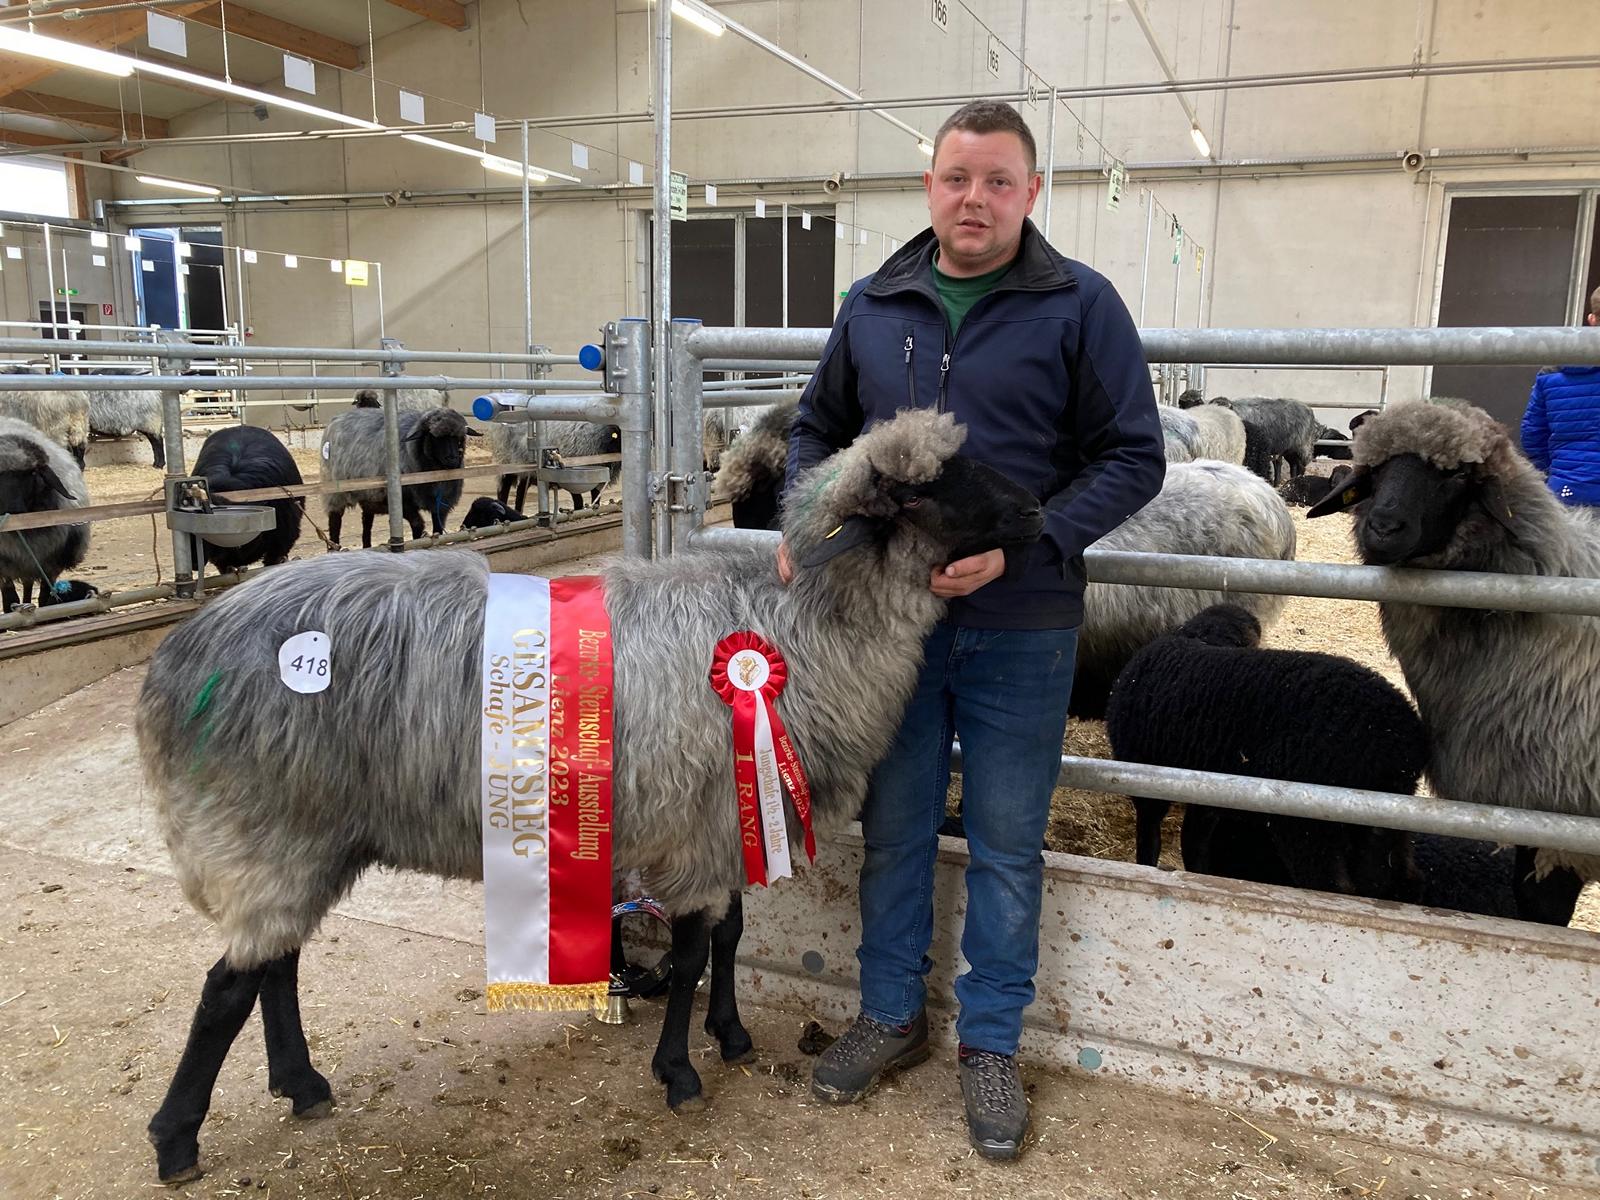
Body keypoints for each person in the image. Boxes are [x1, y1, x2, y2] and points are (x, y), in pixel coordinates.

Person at [778, 99, 1164, 1160]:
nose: (975, 199)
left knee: (1003, 844)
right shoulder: (872, 303)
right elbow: (816, 427)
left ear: (1031, 192)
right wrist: (804, 519)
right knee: (894, 829)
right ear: (929, 187)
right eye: (957, 178)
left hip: (1024, 622)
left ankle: (988, 1044)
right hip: (886, 628)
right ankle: (889, 1014)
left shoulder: (1082, 306)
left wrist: (1032, 543)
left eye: (998, 180)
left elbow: (1133, 456)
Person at [1521, 287, 1600, 507]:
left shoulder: (1552, 372)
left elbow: (1532, 434)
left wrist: (1556, 472)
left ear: (1592, 320)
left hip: (1567, 493)